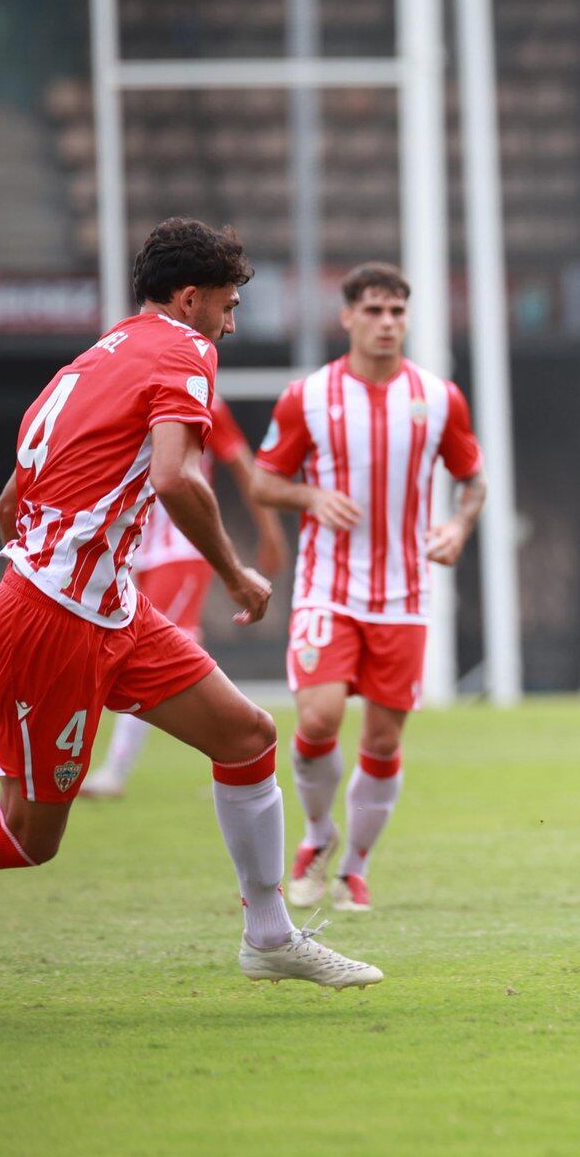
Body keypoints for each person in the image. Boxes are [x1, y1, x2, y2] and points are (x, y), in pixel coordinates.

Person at [0, 217, 380, 988]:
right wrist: (234, 572)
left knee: (247, 736)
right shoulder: (184, 349)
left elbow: (6, 504)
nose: (230, 325)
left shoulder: (93, 360)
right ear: (190, 299)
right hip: (55, 621)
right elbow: (173, 478)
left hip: (103, 609)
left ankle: (269, 937)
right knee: (30, 839)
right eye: (227, 307)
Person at [250, 262, 484, 913]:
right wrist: (309, 495)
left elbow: (474, 478)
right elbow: (264, 481)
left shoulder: (439, 398)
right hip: (326, 587)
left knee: (382, 741)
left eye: (397, 312)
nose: (386, 323)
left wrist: (459, 527)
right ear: (347, 316)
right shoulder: (308, 396)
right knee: (318, 718)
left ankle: (355, 865)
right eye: (374, 310)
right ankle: (318, 837)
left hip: (405, 594)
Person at [78, 393, 287, 798]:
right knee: (178, 649)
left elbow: (243, 466)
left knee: (141, 651)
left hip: (181, 546)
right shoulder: (123, 398)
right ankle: (239, 751)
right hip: (134, 549)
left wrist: (271, 532)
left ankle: (116, 772)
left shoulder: (203, 401)